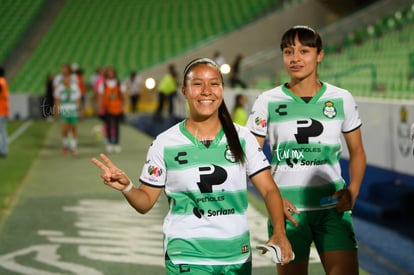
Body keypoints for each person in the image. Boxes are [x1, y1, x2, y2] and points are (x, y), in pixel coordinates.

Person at [91, 58, 294, 274]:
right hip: (187, 257)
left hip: (237, 256)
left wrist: (280, 233)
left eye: (214, 84)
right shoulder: (164, 143)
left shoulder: (243, 138)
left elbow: (269, 189)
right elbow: (145, 203)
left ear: (222, 89)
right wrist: (127, 187)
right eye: (197, 84)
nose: (206, 91)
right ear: (184, 91)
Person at [246, 26, 366, 275]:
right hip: (288, 214)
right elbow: (252, 157)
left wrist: (353, 190)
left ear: (319, 55)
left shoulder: (341, 98)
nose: (295, 58)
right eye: (288, 51)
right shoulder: (266, 101)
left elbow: (357, 151)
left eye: (304, 51)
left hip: (332, 210)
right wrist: (275, 197)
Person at [98, 66, 126, 153]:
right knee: (108, 126)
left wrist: (123, 107)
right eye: (109, 72)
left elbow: (124, 97)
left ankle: (116, 143)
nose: (110, 74)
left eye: (112, 72)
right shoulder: (103, 84)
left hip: (117, 108)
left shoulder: (119, 84)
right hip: (107, 108)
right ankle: (110, 143)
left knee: (117, 126)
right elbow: (100, 97)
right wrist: (100, 108)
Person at [54, 72, 82, 155]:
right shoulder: (59, 88)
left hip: (73, 110)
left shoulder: (75, 87)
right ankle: (65, 145)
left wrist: (79, 111)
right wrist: (56, 111)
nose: (67, 80)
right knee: (64, 128)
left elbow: (78, 100)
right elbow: (57, 100)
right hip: (64, 110)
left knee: (73, 128)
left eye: (68, 78)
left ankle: (73, 147)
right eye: (65, 78)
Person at [0, 67, 10, 158]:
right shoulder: (4, 81)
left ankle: (3, 150)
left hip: (1, 110)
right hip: (4, 110)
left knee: (2, 131)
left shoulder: (0, 82)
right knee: (3, 131)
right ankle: (3, 150)